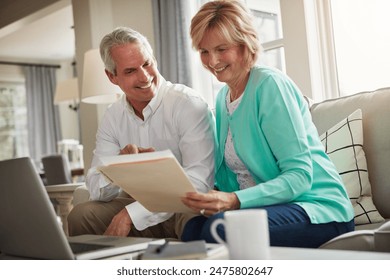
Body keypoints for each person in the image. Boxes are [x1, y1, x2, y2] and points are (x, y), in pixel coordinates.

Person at [181, 0, 354, 248]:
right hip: (271, 207)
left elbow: (300, 176)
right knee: (192, 232)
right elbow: (232, 176)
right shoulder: (222, 99)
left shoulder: (270, 86)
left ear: (244, 44)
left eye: (221, 49)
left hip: (317, 208)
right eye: (204, 51)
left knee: (220, 230)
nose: (212, 60)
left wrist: (233, 200)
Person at [68, 27, 215, 239]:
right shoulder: (113, 116)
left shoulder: (187, 104)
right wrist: (116, 167)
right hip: (139, 203)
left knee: (194, 222)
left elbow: (200, 183)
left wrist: (131, 214)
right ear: (112, 77)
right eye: (130, 71)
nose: (145, 76)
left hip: (186, 208)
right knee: (81, 215)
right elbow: (96, 189)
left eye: (146, 64)